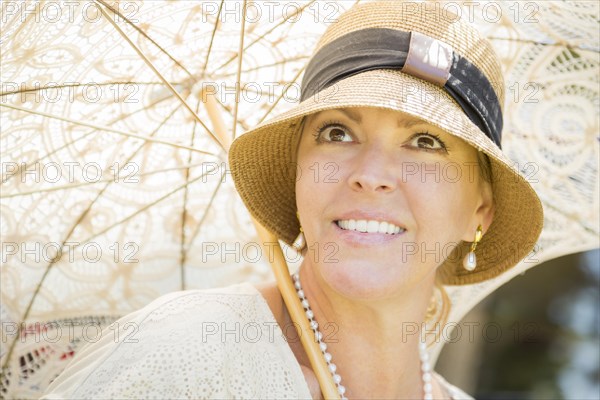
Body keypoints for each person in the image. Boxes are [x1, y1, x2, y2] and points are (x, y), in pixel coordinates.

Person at [42, 1, 543, 399]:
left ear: (480, 211)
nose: (370, 176)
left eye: (426, 142)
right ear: (298, 173)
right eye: (337, 132)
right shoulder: (181, 351)